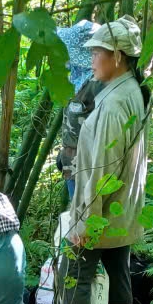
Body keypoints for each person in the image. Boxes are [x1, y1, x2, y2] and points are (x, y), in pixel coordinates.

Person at [59, 16, 151, 304]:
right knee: (119, 273)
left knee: (75, 278)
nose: (92, 59)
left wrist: (85, 223)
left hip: (102, 213)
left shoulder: (114, 104)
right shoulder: (129, 91)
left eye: (97, 52)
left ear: (117, 56)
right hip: (121, 211)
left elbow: (101, 170)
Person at [56, 20, 103, 201]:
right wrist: (65, 154)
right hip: (73, 165)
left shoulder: (98, 83)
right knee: (77, 217)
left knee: (87, 220)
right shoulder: (75, 79)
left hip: (90, 166)